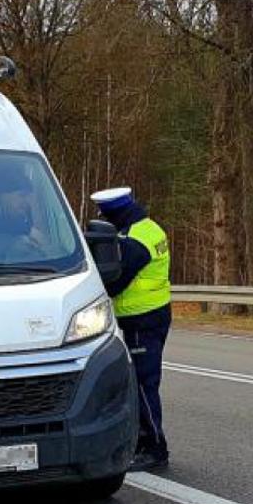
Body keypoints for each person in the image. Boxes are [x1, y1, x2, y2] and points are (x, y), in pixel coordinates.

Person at [92, 187, 171, 472]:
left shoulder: (134, 241)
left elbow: (116, 281)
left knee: (142, 383)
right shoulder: (149, 228)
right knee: (142, 382)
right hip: (154, 314)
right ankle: (144, 441)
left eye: (104, 214)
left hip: (142, 319)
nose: (101, 217)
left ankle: (154, 447)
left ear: (116, 214)